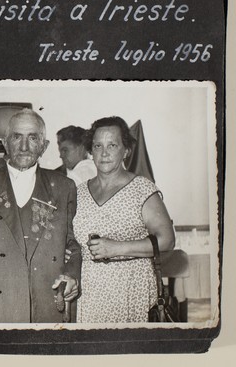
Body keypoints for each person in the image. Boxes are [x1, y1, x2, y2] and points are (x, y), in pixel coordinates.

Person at [0, 109, 81, 323]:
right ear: (5, 142)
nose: (25, 146)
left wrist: (72, 276)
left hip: (49, 303)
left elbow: (71, 245)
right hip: (0, 307)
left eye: (33, 137)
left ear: (44, 146)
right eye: (17, 137)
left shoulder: (64, 187)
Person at [73, 116, 175, 323]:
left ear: (126, 151)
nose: (104, 153)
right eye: (98, 145)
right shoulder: (78, 192)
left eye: (112, 145)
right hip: (90, 294)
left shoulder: (142, 189)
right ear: (90, 151)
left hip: (131, 290)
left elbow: (167, 240)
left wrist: (117, 248)